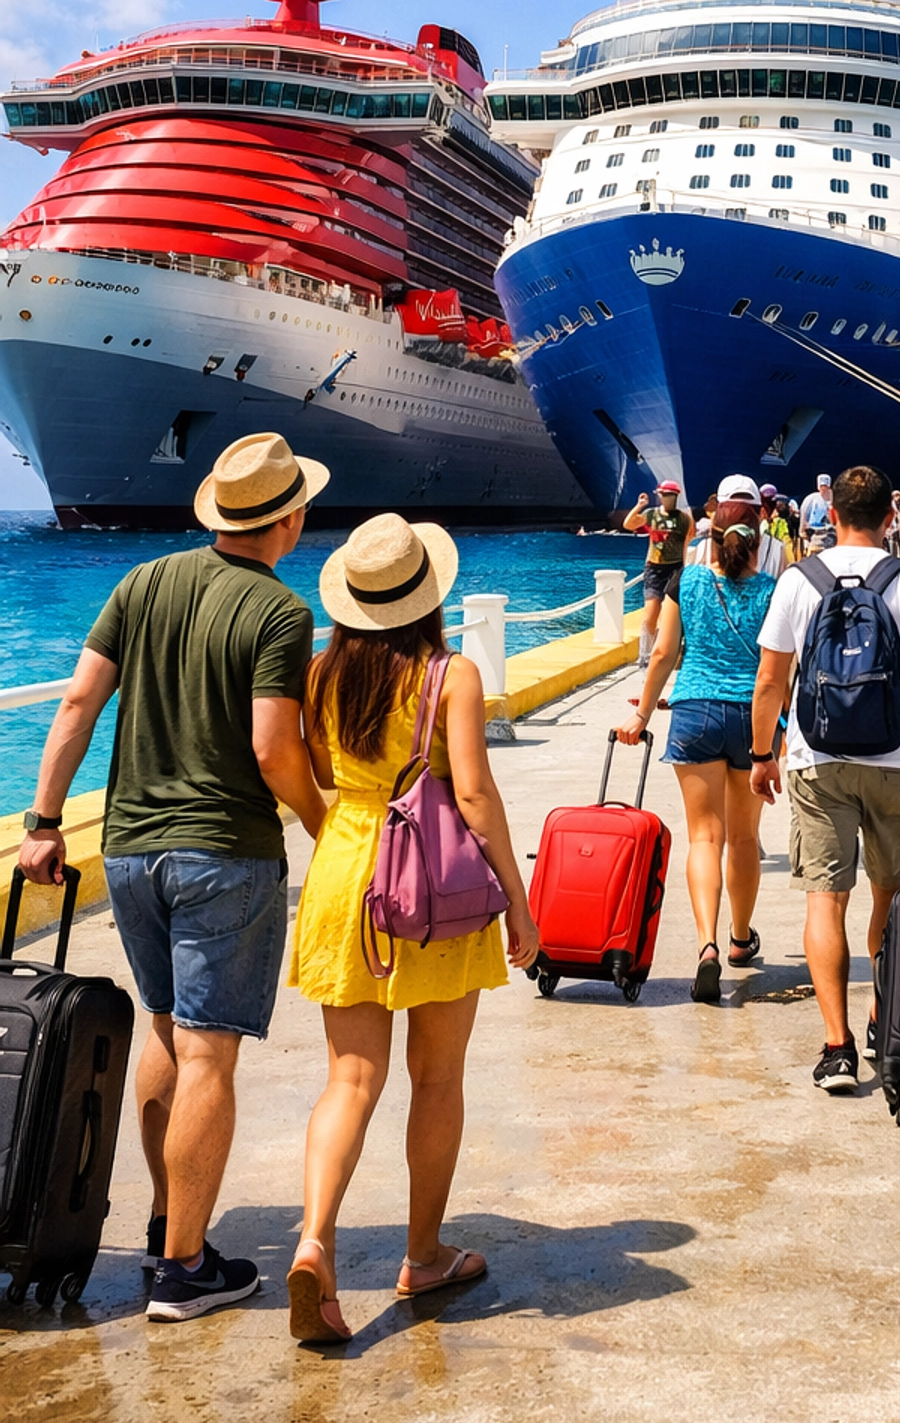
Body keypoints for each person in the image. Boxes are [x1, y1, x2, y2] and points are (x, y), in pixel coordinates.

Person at [17, 432, 330, 1322]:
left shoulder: (142, 583)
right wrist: (323, 823)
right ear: (291, 518)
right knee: (208, 1051)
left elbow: (78, 702)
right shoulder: (278, 612)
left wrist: (44, 823)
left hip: (127, 850)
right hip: (221, 853)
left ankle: (166, 1224)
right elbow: (274, 749)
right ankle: (185, 1269)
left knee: (165, 1030)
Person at [283, 514, 539, 1343]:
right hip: (431, 885)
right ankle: (422, 1255)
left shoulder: (321, 674)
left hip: (345, 871)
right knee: (436, 1078)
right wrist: (520, 902)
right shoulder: (450, 673)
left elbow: (319, 773)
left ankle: (315, 1240)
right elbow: (471, 794)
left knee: (349, 1079)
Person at [750, 464, 900, 1093]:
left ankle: (836, 1047)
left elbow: (772, 679)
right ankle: (884, 1019)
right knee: (892, 894)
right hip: (899, 761)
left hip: (817, 759)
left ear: (831, 515)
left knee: (825, 898)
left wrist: (760, 754)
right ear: (891, 519)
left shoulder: (798, 582)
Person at [618, 497, 775, 1001]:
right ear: (759, 540)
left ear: (709, 535)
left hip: (694, 711)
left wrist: (642, 712)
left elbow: (663, 653)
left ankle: (706, 943)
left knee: (704, 838)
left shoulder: (684, 583)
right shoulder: (773, 590)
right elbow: (779, 670)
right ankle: (740, 938)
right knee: (744, 837)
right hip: (753, 718)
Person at [622, 481, 694, 668]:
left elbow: (688, 542)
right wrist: (639, 506)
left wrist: (685, 568)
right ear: (659, 495)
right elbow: (628, 524)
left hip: (675, 567)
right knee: (650, 613)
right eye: (664, 494)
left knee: (672, 614)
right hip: (654, 568)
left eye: (670, 494)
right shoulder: (651, 514)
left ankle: (672, 652)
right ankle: (645, 655)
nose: (667, 497)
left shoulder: (684, 519)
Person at [799, 473, 837, 556]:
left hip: (832, 539)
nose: (823, 488)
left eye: (825, 486)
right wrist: (805, 539)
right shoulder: (811, 499)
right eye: (821, 486)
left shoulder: (836, 500)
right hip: (815, 538)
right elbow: (804, 519)